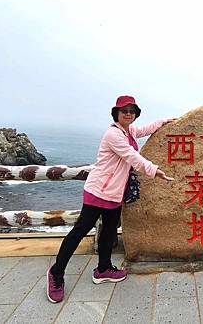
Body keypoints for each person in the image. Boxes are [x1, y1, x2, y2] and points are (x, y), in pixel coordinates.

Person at [46, 95, 174, 303]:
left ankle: (103, 269)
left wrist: (163, 122)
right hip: (98, 191)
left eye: (132, 111)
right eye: (124, 110)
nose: (128, 114)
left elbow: (144, 130)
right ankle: (56, 273)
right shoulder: (113, 135)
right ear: (116, 113)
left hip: (115, 193)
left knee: (109, 230)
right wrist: (155, 170)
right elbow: (132, 157)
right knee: (80, 230)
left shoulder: (129, 130)